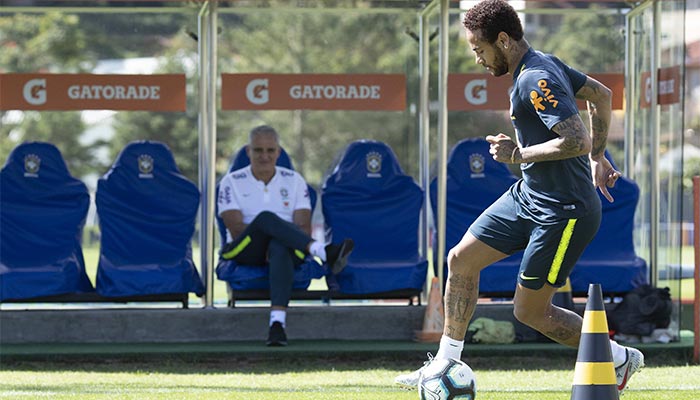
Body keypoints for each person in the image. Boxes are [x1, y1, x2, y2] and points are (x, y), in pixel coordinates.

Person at [395, 0, 643, 394]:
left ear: (504, 40)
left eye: (479, 48)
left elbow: (573, 138)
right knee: (459, 260)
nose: (477, 58)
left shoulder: (536, 78)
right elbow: (601, 94)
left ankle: (617, 357)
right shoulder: (541, 63)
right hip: (530, 195)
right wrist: (598, 156)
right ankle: (444, 362)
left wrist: (519, 154)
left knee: (529, 312)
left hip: (565, 211)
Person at [218, 125, 353, 346]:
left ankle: (277, 325)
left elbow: (303, 228)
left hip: (288, 246)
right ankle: (323, 251)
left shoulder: (294, 180)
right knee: (265, 218)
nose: (264, 156)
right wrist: (270, 232)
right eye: (258, 150)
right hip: (243, 248)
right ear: (248, 151)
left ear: (278, 152)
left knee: (279, 247)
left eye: (270, 150)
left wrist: (278, 239)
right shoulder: (231, 182)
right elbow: (237, 230)